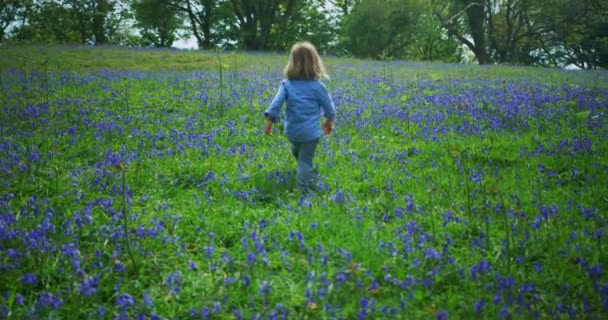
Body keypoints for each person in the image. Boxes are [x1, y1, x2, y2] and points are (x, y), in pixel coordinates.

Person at [263, 41, 336, 193]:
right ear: (314, 62)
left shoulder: (287, 85)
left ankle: (305, 174)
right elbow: (328, 106)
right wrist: (329, 119)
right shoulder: (318, 86)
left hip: (292, 131)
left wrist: (269, 120)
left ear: (292, 63)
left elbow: (275, 104)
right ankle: (303, 188)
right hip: (310, 134)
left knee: (298, 153)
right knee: (305, 159)